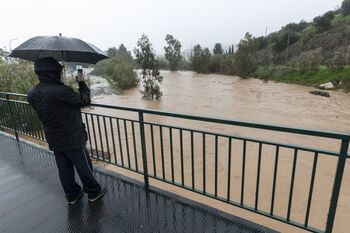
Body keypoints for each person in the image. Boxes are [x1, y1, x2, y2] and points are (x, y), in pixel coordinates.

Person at [28, 57, 106, 205]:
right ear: (53, 72)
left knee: (64, 168)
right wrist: (81, 82)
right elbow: (84, 100)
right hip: (72, 138)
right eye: (59, 70)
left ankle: (72, 195)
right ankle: (93, 192)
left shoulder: (32, 92)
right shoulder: (62, 91)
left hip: (53, 137)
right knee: (84, 166)